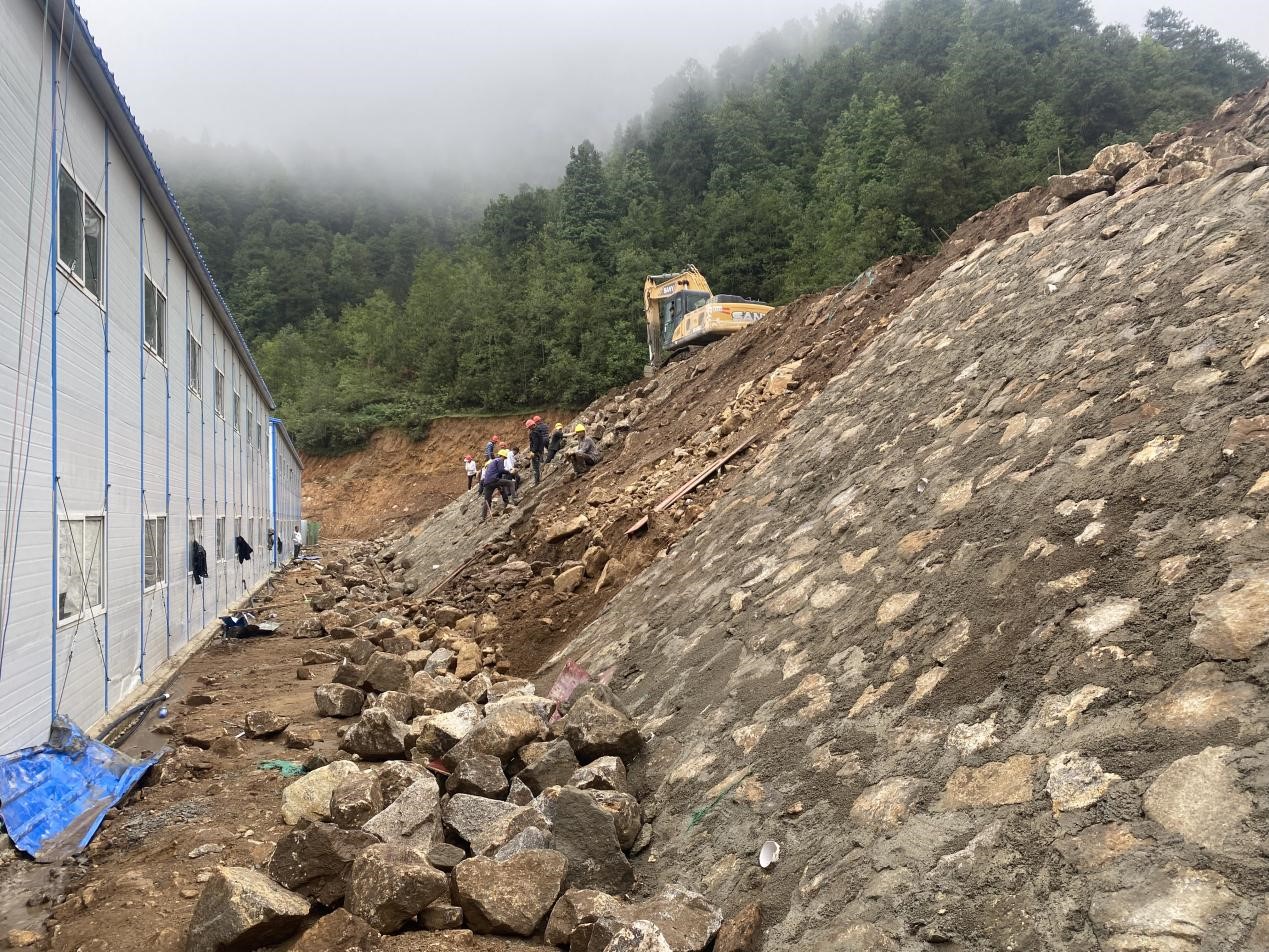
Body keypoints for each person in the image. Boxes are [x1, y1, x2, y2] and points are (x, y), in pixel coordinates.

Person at [528, 416, 550, 485]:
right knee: (539, 463)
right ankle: (539, 478)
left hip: (536, 451)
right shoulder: (539, 429)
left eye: (529, 427)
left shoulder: (534, 432)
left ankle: (537, 481)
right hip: (541, 448)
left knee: (535, 467)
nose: (528, 428)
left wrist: (532, 451)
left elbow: (535, 443)